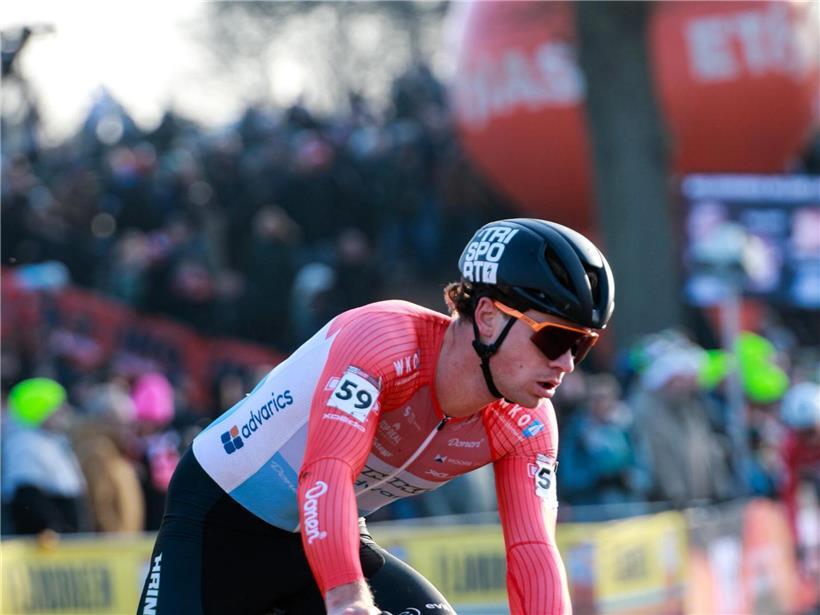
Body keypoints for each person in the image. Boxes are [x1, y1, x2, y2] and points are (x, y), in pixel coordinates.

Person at [138, 218, 615, 615]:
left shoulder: (526, 423)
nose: (567, 362)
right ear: (488, 317)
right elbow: (325, 474)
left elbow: (532, 551)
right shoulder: (385, 343)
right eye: (554, 339)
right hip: (217, 523)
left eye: (582, 344)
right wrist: (348, 599)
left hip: (326, 536)